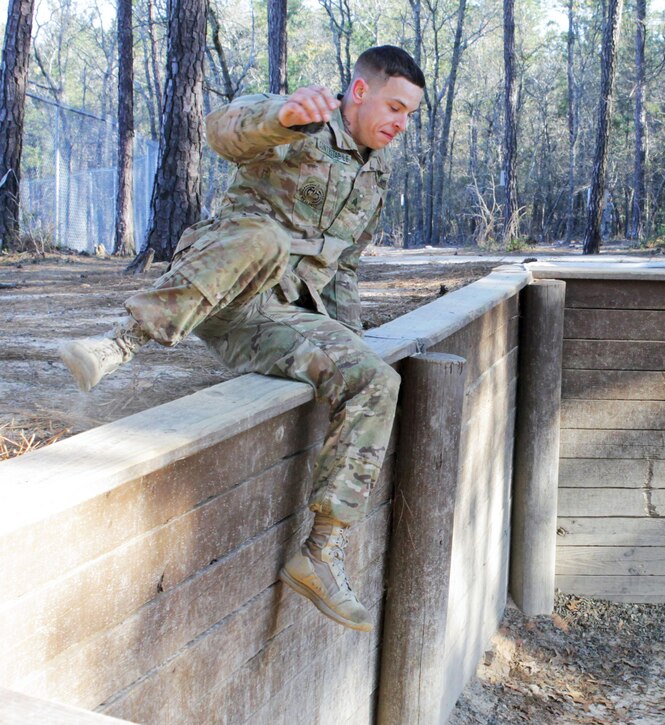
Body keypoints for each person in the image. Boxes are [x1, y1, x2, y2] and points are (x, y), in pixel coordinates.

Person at [59, 45, 426, 632]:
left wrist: (349, 343)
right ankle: (121, 342)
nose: (400, 124)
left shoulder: (375, 170)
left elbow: (344, 268)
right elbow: (221, 130)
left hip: (275, 317)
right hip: (219, 281)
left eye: (409, 115)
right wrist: (279, 116)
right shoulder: (301, 117)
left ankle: (321, 554)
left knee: (377, 380)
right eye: (394, 107)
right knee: (267, 240)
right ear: (360, 92)